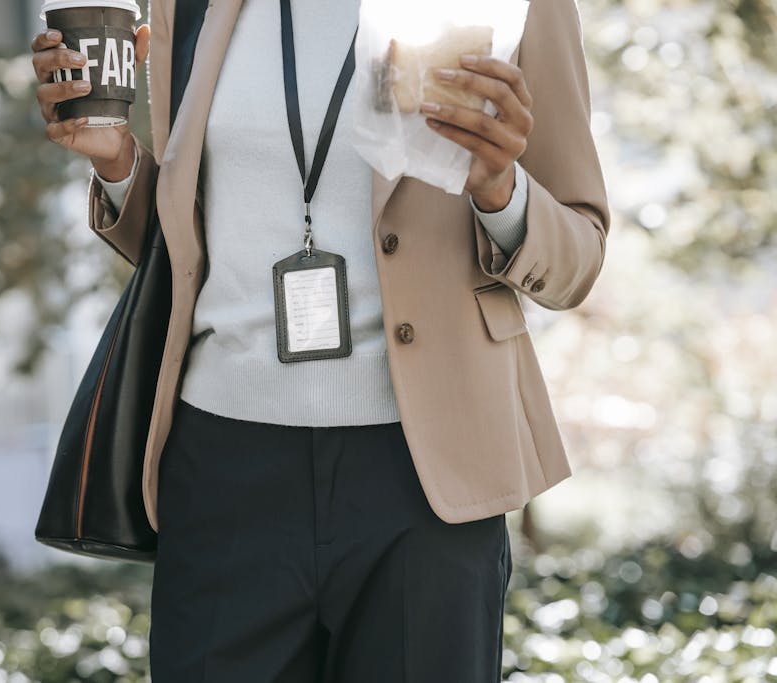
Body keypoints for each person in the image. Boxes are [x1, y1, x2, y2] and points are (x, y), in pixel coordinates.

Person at [31, 0, 609, 679]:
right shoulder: (190, 6)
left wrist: (500, 189)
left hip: (425, 480)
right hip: (221, 470)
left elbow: (578, 254)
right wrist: (119, 163)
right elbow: (190, 252)